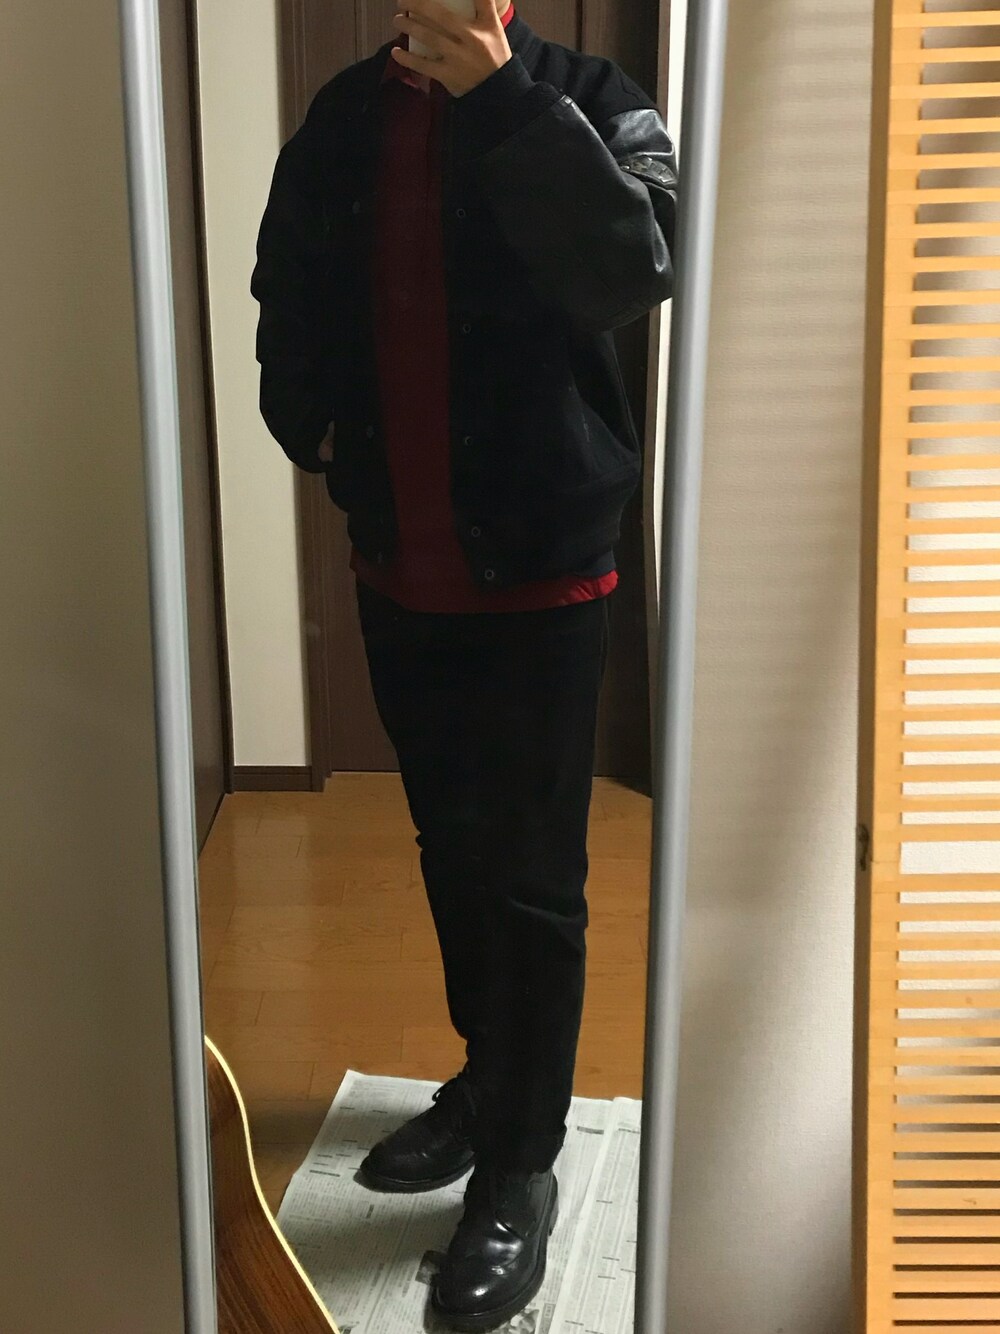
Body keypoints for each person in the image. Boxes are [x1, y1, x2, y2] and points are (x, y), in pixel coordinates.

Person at [251, 1, 677, 1327]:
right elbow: (285, 286)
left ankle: (522, 1158)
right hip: (399, 557)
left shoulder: (588, 98)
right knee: (450, 843)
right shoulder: (343, 117)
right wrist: (307, 424)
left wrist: (497, 100)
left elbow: (630, 269)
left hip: (544, 566)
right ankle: (491, 1080)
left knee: (533, 878)